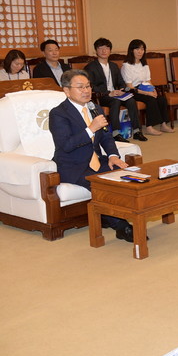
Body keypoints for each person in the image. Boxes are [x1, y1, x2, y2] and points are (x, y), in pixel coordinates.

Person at [49, 70, 135, 242]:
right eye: (80, 87)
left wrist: (112, 155)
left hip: (96, 160)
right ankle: (121, 226)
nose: (86, 91)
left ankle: (110, 216)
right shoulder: (58, 113)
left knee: (126, 176)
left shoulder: (94, 108)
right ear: (66, 91)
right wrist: (91, 129)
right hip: (72, 165)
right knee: (101, 185)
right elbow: (66, 145)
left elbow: (106, 136)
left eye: (88, 86)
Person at [84, 38, 147, 143]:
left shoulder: (113, 66)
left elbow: (121, 82)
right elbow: (91, 86)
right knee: (115, 101)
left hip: (116, 94)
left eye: (107, 48)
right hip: (102, 96)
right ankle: (116, 133)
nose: (104, 51)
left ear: (110, 51)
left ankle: (137, 131)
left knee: (131, 100)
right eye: (101, 48)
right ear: (96, 51)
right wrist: (109, 93)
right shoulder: (90, 67)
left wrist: (122, 89)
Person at [120, 38, 173, 136]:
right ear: (131, 50)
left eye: (142, 49)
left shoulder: (144, 65)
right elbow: (130, 86)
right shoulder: (126, 66)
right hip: (133, 91)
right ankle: (149, 127)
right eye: (137, 49)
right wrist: (148, 93)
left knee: (161, 99)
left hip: (145, 88)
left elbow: (148, 81)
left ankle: (163, 124)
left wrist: (153, 90)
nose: (140, 52)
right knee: (150, 100)